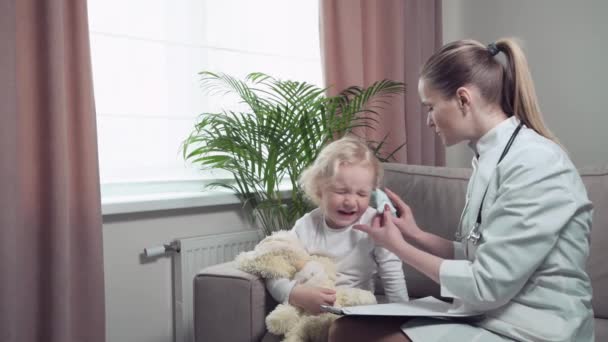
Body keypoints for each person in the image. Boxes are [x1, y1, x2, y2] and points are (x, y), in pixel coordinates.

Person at [328, 38, 594, 342]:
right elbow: (482, 257)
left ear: (463, 99)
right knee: (345, 328)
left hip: (536, 331)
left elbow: (486, 285)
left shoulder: (536, 163)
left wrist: (398, 246)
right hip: (493, 317)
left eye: (430, 107)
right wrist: (415, 235)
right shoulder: (490, 157)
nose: (428, 120)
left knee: (351, 336)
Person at [265, 136, 409, 316]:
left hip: (356, 310)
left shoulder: (376, 224)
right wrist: (296, 294)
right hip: (311, 311)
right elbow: (275, 269)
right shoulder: (306, 225)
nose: (350, 201)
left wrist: (403, 319)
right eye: (341, 191)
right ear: (319, 189)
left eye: (362, 194)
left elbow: (392, 273)